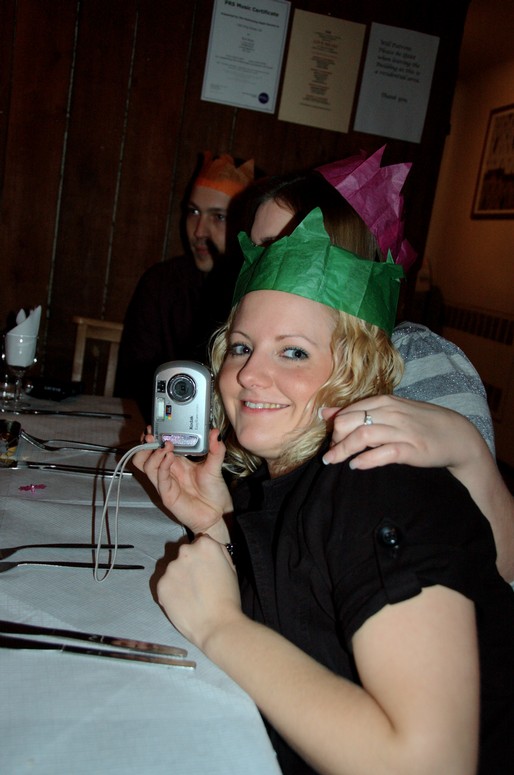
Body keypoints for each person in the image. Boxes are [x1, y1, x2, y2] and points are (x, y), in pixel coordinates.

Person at [135, 206, 514, 775]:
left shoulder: (378, 483)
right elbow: (307, 625)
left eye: (293, 352)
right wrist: (216, 523)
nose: (249, 374)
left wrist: (220, 627)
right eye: (240, 347)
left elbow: (429, 763)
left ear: (353, 370)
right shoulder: (286, 482)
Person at [241, 148, 514, 581]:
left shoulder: (417, 359)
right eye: (252, 252)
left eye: (277, 249)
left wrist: (471, 455)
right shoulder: (253, 358)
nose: (258, 269)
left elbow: (492, 566)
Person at [114, 151, 254, 421]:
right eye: (193, 212)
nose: (199, 231)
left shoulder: (255, 293)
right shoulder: (160, 283)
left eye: (219, 217)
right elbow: (134, 380)